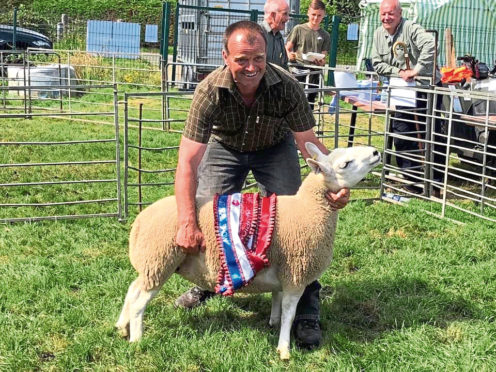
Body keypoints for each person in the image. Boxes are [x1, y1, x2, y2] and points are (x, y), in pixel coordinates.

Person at [173, 20, 350, 349]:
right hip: (225, 148)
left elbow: (308, 141)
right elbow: (188, 161)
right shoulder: (208, 91)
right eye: (242, 59)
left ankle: (307, 306)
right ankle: (210, 282)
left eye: (258, 58)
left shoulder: (286, 85)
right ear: (226, 56)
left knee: (298, 228)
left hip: (274, 148)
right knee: (207, 210)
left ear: (267, 54)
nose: (251, 67)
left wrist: (336, 182)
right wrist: (185, 220)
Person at [371, 0, 445, 196]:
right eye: (383, 14)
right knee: (402, 132)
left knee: (430, 132)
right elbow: (377, 62)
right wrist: (400, 72)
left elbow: (431, 44)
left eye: (390, 14)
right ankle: (412, 180)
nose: (386, 18)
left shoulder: (411, 27)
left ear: (399, 13)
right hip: (401, 88)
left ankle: (434, 182)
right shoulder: (378, 33)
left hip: (425, 87)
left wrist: (416, 70)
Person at [285, 0, 330, 109]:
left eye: (319, 15)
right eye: (313, 14)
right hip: (298, 71)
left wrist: (321, 61)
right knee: (295, 101)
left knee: (309, 104)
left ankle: (308, 125)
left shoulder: (325, 35)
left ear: (323, 15)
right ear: (308, 13)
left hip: (314, 73)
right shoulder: (298, 29)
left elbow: (323, 56)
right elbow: (288, 47)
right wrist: (290, 55)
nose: (316, 18)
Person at [261, 0, 290, 69]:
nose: (287, 18)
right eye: (285, 14)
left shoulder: (279, 37)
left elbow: (284, 65)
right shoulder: (257, 34)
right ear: (273, 15)